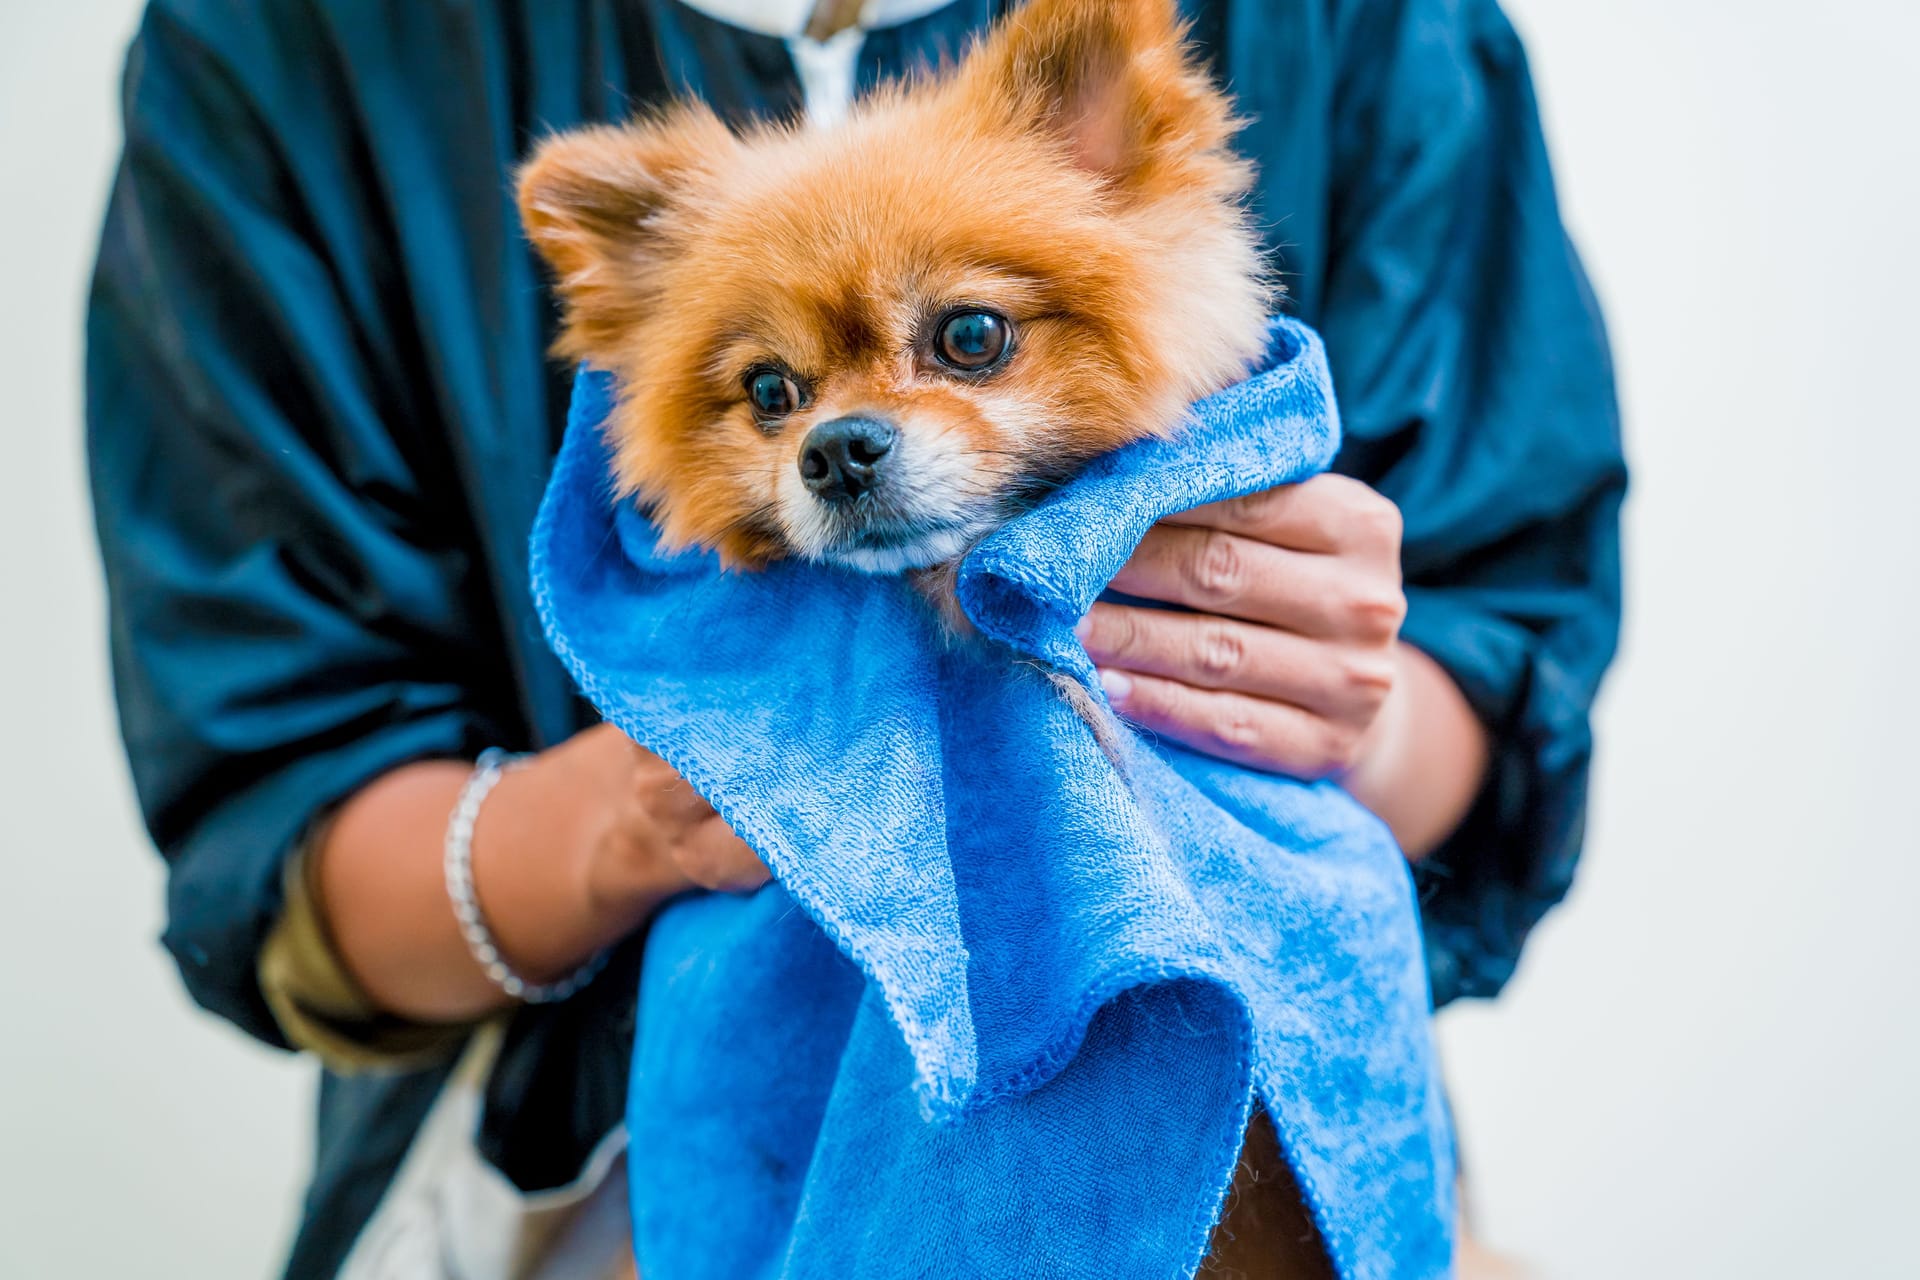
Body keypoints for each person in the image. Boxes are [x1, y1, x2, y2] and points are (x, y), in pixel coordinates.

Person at [86, 0, 1624, 1276]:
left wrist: (1333, 706)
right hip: (606, 1190)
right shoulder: (289, 43)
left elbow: (1513, 642)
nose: (848, 437)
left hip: (1260, 1149)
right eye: (776, 395)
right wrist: (638, 818)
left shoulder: (1361, 28)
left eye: (964, 340)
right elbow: (271, 819)